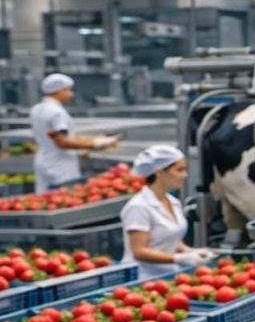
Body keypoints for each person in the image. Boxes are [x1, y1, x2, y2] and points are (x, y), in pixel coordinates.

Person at [120, 144, 214, 278]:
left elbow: (171, 239)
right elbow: (139, 251)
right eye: (179, 170)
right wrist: (180, 259)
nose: (185, 175)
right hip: (142, 279)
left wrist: (190, 251)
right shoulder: (138, 206)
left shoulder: (173, 202)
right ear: (159, 172)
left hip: (168, 275)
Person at [29, 73, 118, 192]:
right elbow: (62, 142)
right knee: (62, 199)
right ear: (59, 91)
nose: (71, 94)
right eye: (68, 90)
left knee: (45, 198)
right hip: (60, 165)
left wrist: (84, 142)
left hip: (43, 161)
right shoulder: (57, 113)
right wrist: (95, 144)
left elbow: (53, 136)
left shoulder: (37, 109)